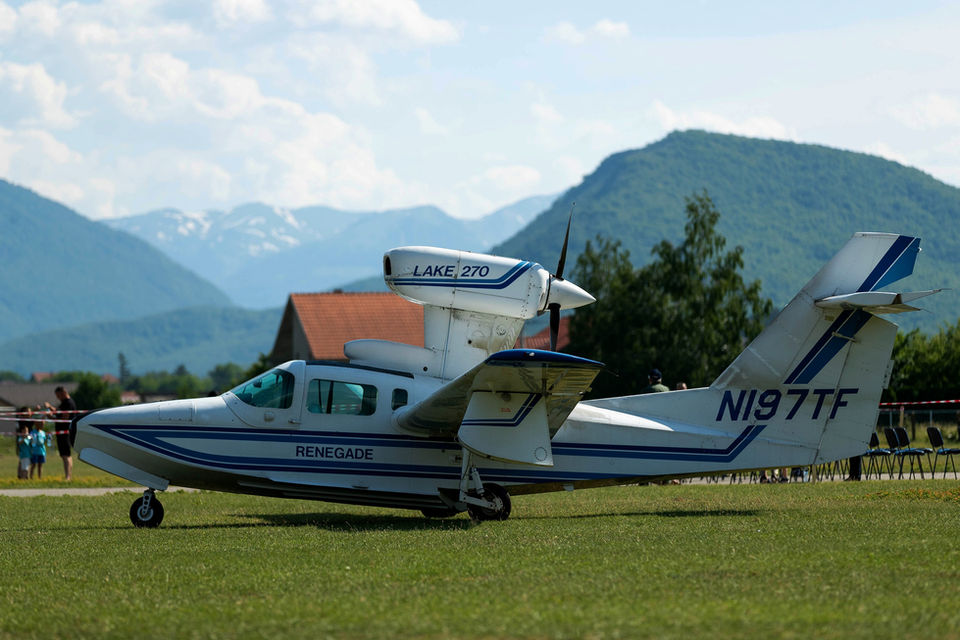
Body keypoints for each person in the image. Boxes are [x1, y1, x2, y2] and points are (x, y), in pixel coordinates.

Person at [45, 386, 76, 481]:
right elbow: (58, 412)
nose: (58, 398)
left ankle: (68, 477)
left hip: (65, 432)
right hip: (62, 432)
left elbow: (64, 418)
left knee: (66, 455)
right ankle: (68, 476)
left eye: (58, 395)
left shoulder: (68, 403)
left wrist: (51, 418)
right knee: (65, 455)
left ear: (63, 393)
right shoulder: (65, 403)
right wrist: (50, 408)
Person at [16, 408, 33, 480]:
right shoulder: (20, 421)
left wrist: (31, 438)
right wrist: (24, 437)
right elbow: (19, 442)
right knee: (24, 467)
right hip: (23, 454)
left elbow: (32, 441)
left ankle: (25, 477)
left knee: (26, 467)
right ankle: (22, 477)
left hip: (28, 454)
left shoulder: (31, 421)